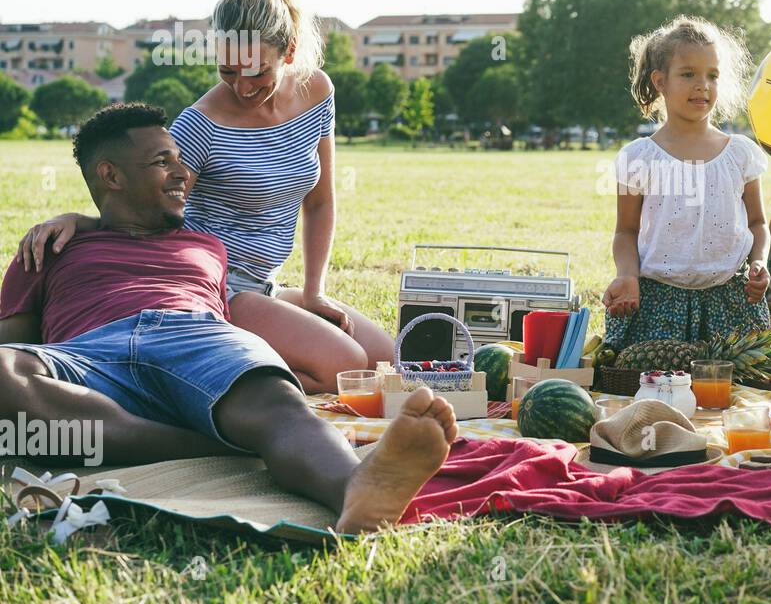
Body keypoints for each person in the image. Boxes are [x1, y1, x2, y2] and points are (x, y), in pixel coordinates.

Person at [0, 104, 452, 533]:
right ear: (110, 175)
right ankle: (207, 442)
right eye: (163, 162)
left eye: (180, 159)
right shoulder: (49, 247)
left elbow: (234, 304)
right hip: (90, 357)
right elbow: (18, 344)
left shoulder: (207, 246)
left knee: (276, 404)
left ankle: (356, 490)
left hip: (195, 336)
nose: (182, 173)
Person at [18, 0, 393, 392]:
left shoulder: (318, 90)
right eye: (228, 70)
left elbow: (320, 201)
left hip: (265, 284)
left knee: (386, 359)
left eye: (257, 72)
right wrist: (81, 221)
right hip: (213, 284)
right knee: (347, 364)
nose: (243, 86)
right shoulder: (201, 124)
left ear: (288, 52)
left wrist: (314, 293)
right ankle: (223, 389)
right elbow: (148, 207)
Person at [601, 16, 771, 349]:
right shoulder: (640, 157)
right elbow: (626, 232)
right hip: (659, 304)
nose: (702, 85)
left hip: (731, 303)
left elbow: (757, 223)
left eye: (712, 75)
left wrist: (759, 261)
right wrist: (627, 276)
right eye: (688, 74)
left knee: (741, 393)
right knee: (655, 387)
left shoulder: (740, 153)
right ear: (660, 81)